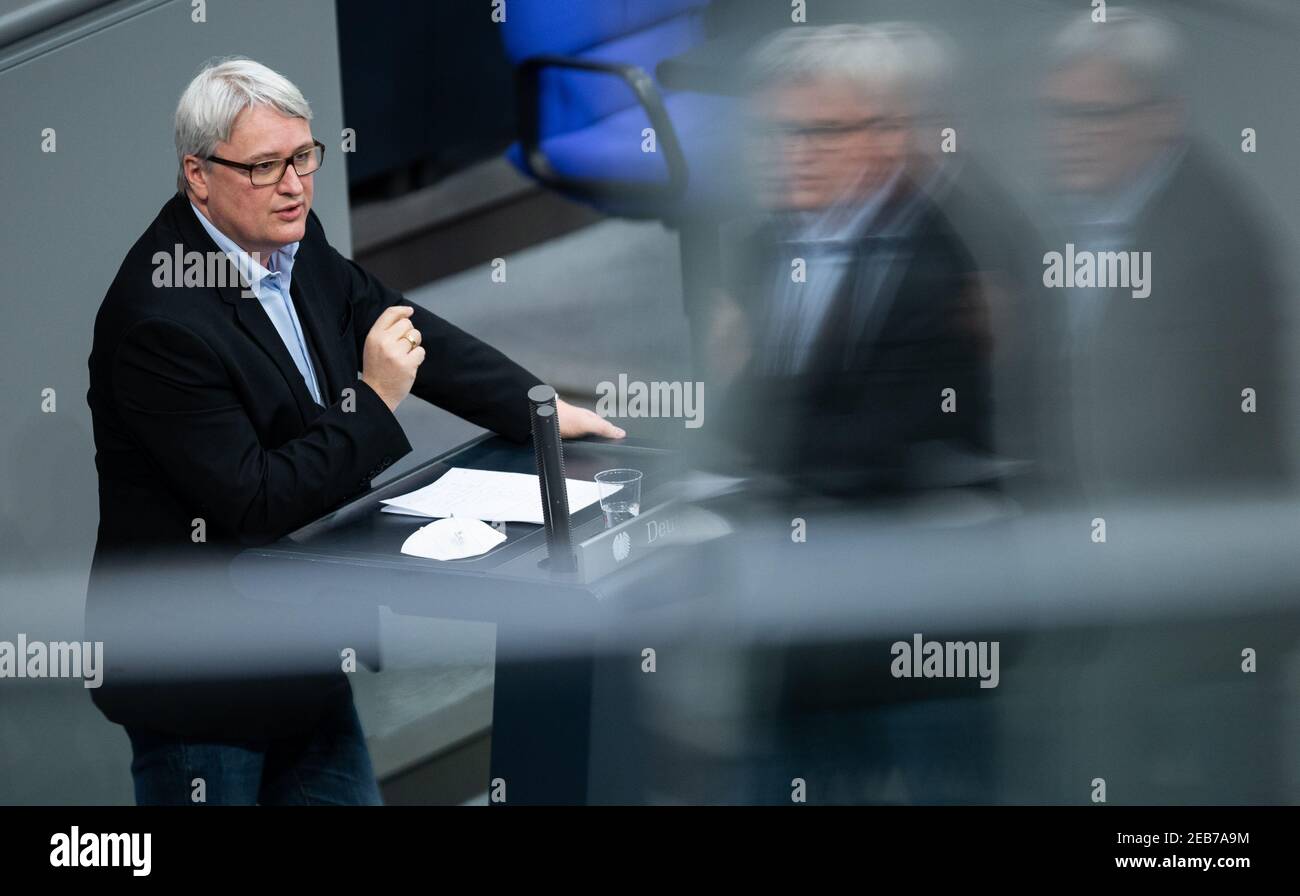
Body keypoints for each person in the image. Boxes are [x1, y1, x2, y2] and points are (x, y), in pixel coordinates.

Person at [85, 57, 620, 805]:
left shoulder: (291, 236)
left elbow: (391, 318)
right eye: (266, 166)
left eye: (304, 156)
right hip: (203, 685)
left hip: (303, 646)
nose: (295, 184)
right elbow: (256, 502)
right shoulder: (159, 322)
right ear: (198, 175)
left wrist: (534, 408)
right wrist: (374, 400)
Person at [1035, 8, 1289, 499]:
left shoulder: (1208, 240)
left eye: (1095, 115)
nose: (1069, 137)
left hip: (1186, 539)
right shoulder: (1089, 210)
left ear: (1163, 118)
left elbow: (1163, 432)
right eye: (1058, 114)